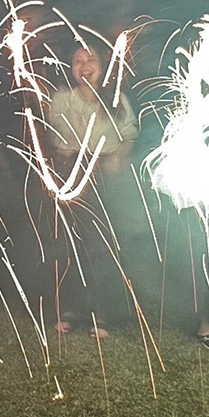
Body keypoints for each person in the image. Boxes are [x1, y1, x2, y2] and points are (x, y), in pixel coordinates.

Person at [40, 45, 138, 337]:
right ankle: (68, 309)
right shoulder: (62, 99)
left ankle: (100, 312)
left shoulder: (116, 100)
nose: (84, 66)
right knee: (67, 241)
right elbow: (50, 136)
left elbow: (129, 135)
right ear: (70, 67)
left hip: (104, 175)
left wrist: (119, 156)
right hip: (70, 172)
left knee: (100, 244)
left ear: (102, 65)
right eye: (78, 60)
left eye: (90, 59)